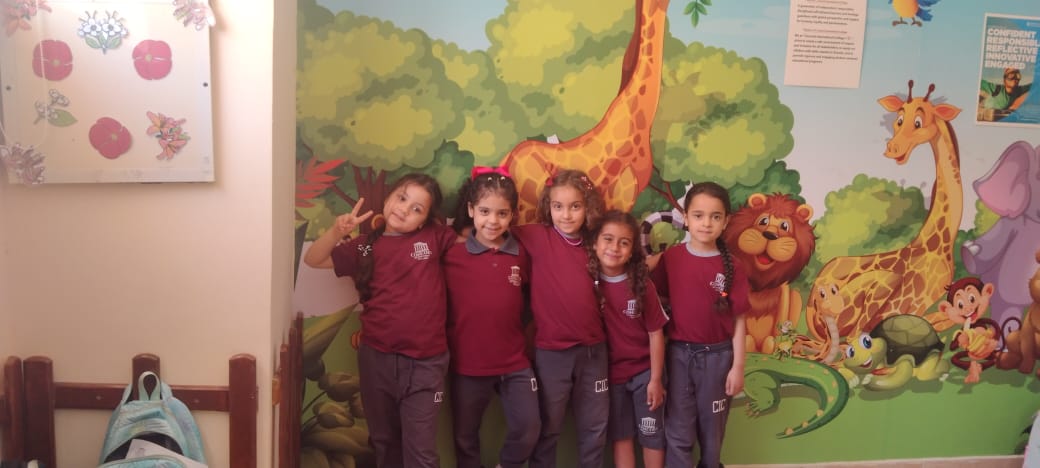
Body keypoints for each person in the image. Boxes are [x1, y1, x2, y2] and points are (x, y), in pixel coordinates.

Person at [302, 173, 457, 468]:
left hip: (425, 364)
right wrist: (336, 231)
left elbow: (469, 243)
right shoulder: (365, 247)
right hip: (378, 360)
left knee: (421, 450)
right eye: (402, 198)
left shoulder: (433, 238)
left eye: (416, 209)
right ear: (388, 198)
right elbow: (314, 259)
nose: (404, 209)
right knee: (384, 443)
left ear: (424, 221)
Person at [443, 166, 540, 468]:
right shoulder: (452, 255)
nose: (493, 221)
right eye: (485, 211)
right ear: (471, 210)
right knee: (465, 437)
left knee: (529, 427)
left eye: (502, 213)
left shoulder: (521, 254)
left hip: (515, 362)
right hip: (468, 365)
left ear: (513, 215)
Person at [512, 168, 608, 468]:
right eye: (558, 206)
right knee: (548, 427)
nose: (566, 215)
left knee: (595, 427)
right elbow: (494, 229)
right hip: (551, 352)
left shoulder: (598, 243)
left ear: (588, 207)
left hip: (594, 351)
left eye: (575, 206)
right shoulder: (537, 236)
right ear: (548, 207)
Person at [652, 181, 751, 468]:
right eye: (698, 215)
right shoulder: (672, 258)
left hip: (718, 358)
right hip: (679, 356)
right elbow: (656, 297)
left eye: (715, 216)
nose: (706, 223)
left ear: (725, 221)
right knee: (678, 430)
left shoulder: (734, 266)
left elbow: (739, 319)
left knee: (712, 433)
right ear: (686, 217)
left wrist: (738, 367)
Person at [587, 210, 668, 468]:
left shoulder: (641, 285)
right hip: (611, 376)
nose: (614, 248)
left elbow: (656, 333)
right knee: (621, 438)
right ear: (594, 243)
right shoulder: (588, 283)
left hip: (645, 374)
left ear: (632, 250)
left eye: (624, 242)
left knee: (651, 435)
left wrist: (655, 379)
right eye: (608, 239)